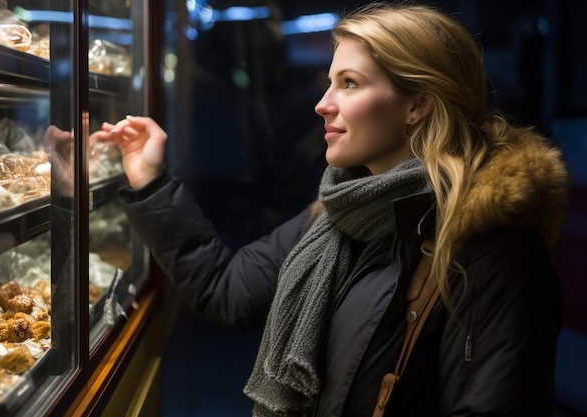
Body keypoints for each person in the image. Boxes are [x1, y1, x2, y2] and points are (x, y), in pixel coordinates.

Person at [91, 2, 570, 416]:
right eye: (329, 82)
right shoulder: (341, 212)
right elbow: (227, 291)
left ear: (417, 105)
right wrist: (147, 178)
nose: (323, 104)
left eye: (350, 84)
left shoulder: (492, 251)